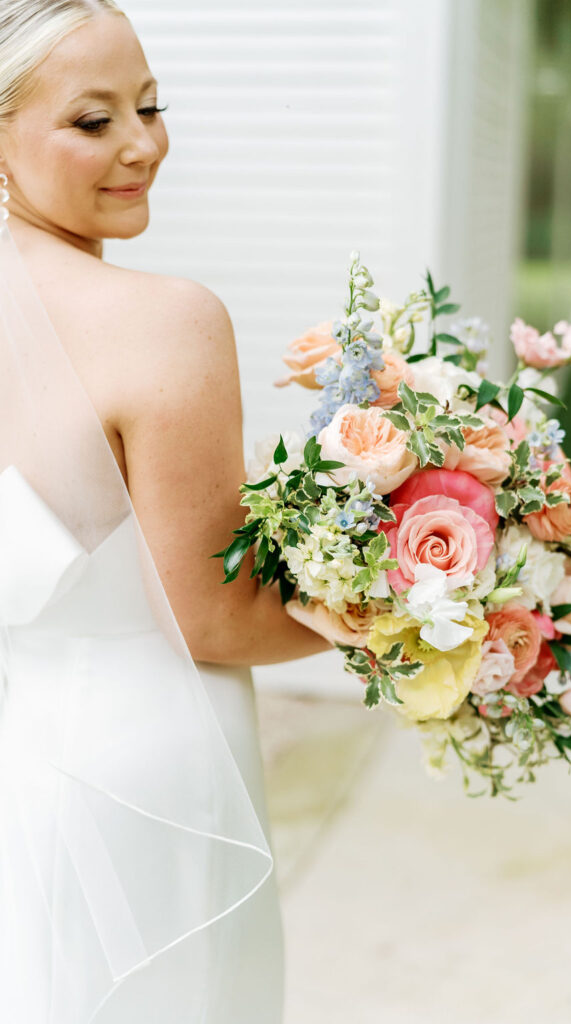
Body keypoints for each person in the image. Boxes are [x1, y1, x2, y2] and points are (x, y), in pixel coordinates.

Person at [0, 2, 331, 1021]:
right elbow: (214, 615)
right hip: (137, 773)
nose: (143, 144)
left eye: (150, 105)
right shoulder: (164, 322)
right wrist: (421, 614)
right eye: (92, 122)